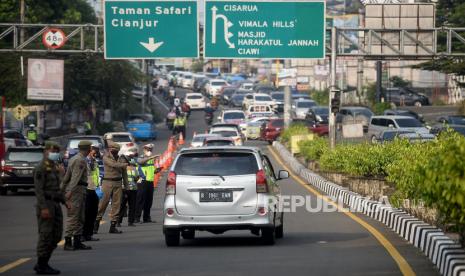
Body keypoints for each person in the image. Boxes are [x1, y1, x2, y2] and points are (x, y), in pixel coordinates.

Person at [33, 141, 67, 275]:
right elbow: (39, 190)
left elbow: (57, 189)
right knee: (46, 235)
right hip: (46, 205)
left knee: (57, 236)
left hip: (56, 204)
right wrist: (43, 208)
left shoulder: (54, 167)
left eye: (56, 151)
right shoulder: (41, 168)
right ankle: (42, 264)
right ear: (45, 151)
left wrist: (65, 202)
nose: (54, 153)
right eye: (52, 151)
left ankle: (44, 262)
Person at [61, 140, 92, 251]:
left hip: (78, 189)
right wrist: (69, 191)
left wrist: (62, 189)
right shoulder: (80, 161)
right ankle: (68, 241)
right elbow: (75, 178)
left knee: (80, 217)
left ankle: (77, 242)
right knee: (74, 217)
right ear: (88, 149)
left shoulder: (74, 159)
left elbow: (66, 177)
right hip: (77, 190)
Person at [95, 141, 130, 234]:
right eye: (111, 149)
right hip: (107, 182)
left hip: (118, 183)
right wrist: (125, 164)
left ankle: (113, 226)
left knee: (116, 205)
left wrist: (127, 187)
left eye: (114, 149)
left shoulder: (121, 159)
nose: (112, 150)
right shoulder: (106, 157)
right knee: (102, 204)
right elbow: (113, 165)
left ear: (117, 150)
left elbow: (124, 174)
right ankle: (95, 225)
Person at [135, 144, 160, 223]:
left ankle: (147, 218)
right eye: (149, 149)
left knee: (149, 201)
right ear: (144, 150)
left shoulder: (151, 160)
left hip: (150, 181)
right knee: (140, 200)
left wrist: (156, 170)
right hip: (142, 181)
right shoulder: (141, 157)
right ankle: (137, 218)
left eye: (151, 149)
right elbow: (140, 162)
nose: (150, 151)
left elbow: (150, 169)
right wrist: (151, 157)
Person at [82, 144, 100, 242]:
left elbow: (95, 173)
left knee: (93, 213)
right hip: (86, 189)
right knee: (86, 213)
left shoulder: (93, 161)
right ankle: (82, 235)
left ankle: (89, 234)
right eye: (94, 150)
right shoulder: (84, 160)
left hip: (93, 189)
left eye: (97, 151)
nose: (96, 152)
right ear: (89, 150)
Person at [118, 148, 141, 227]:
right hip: (128, 189)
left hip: (128, 189)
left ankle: (120, 222)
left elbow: (137, 178)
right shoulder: (129, 168)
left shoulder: (125, 168)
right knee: (128, 206)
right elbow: (137, 178)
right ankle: (128, 222)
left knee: (124, 206)